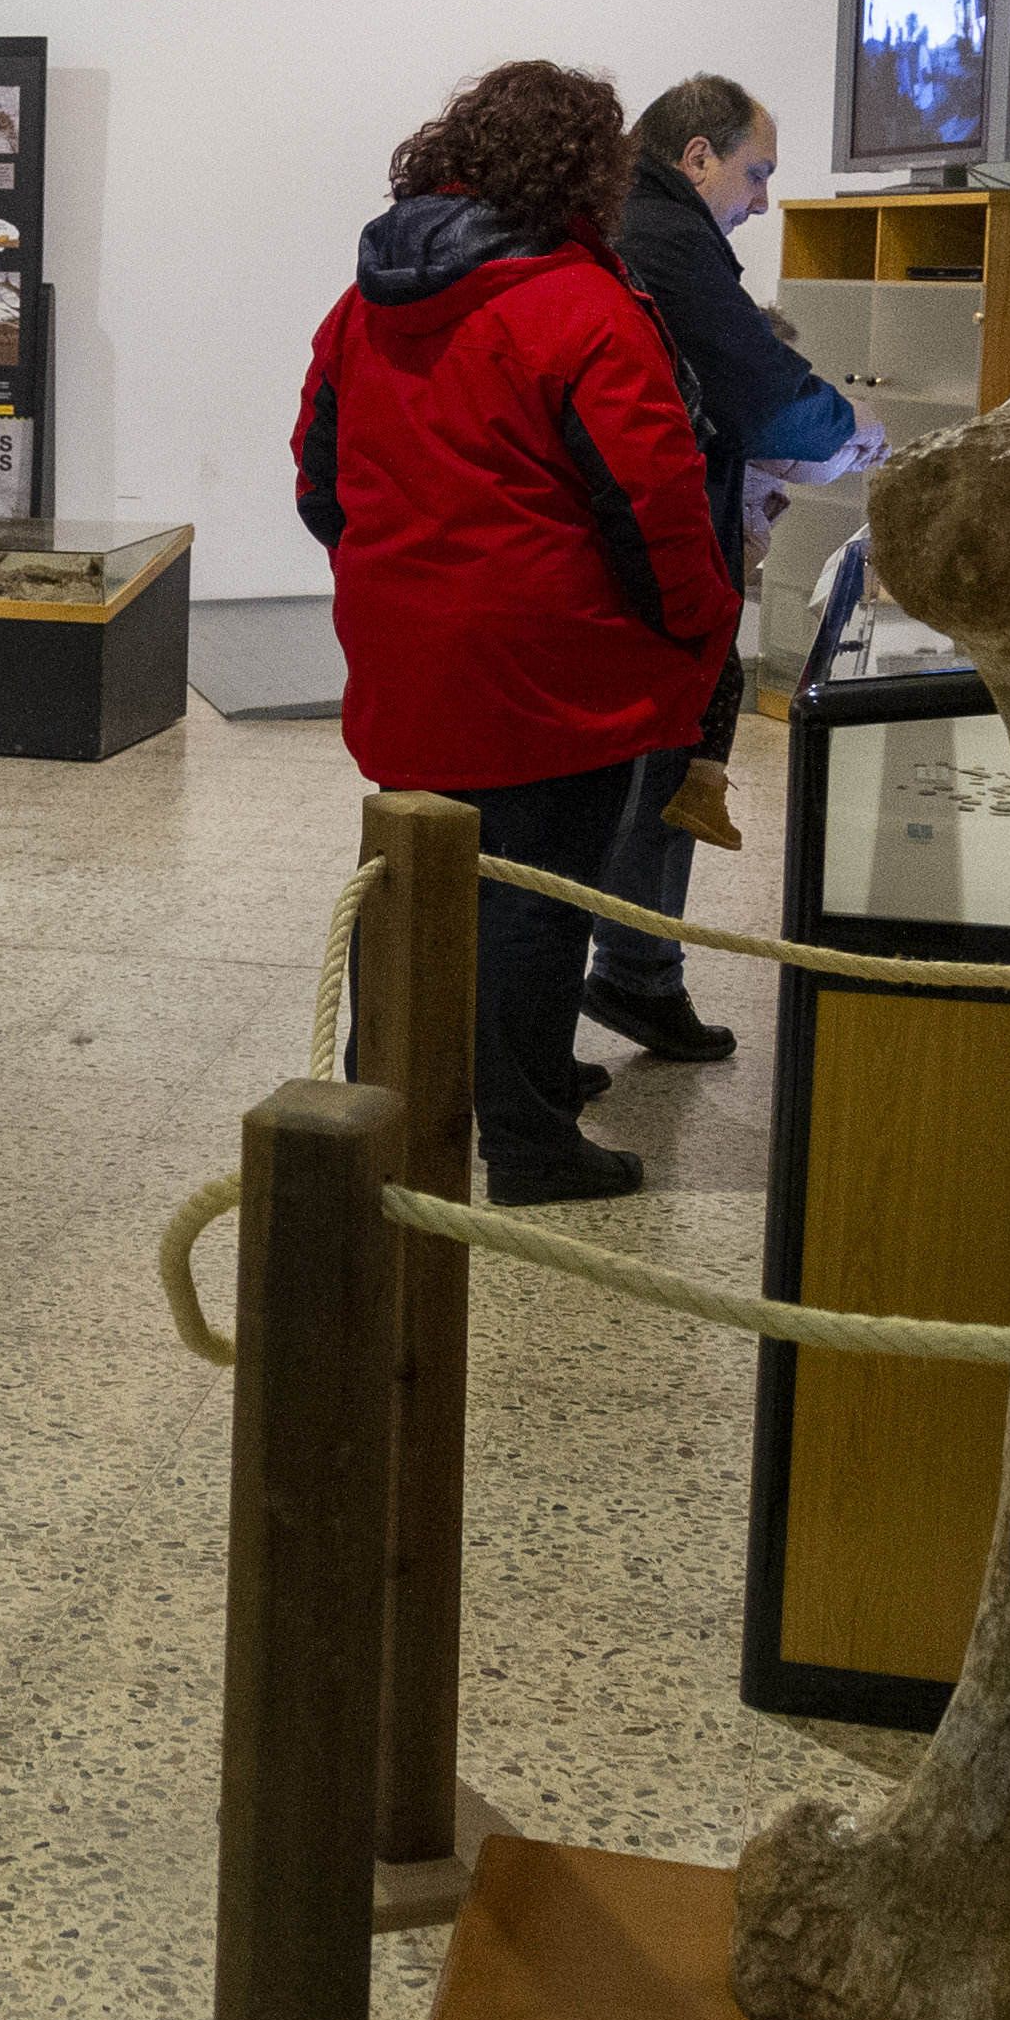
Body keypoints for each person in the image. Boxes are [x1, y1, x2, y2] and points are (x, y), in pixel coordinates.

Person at [293, 60, 739, 1204]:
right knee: (536, 905)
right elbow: (658, 511)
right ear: (587, 171)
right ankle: (532, 1144)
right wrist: (702, 633)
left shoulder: (362, 304)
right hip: (553, 670)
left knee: (407, 897)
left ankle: (380, 1108)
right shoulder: (583, 307)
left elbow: (320, 483)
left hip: (404, 657)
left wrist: (397, 581)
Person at [582, 71, 878, 1063]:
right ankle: (627, 982)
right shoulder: (664, 239)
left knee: (638, 778)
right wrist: (853, 434)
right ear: (697, 156)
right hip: (642, 563)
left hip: (612, 556)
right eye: (757, 174)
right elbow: (761, 388)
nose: (763, 201)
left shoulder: (624, 228)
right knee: (650, 774)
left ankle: (629, 979)